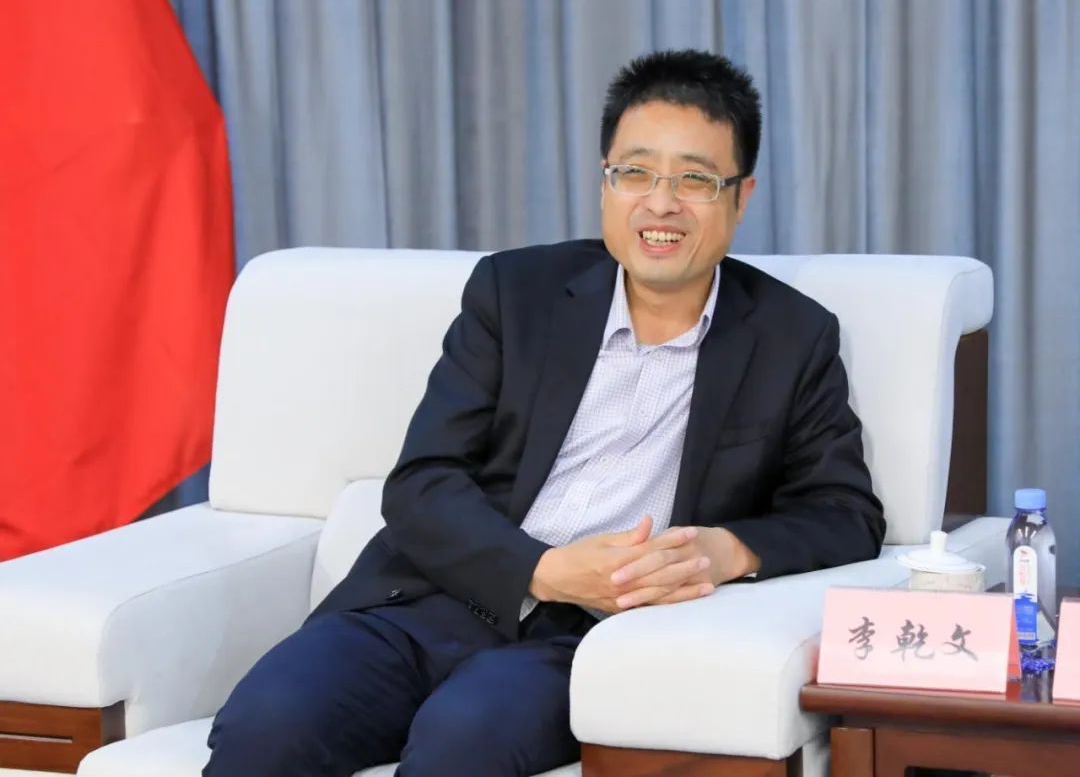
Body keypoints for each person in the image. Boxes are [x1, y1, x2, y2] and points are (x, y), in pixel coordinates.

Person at [204, 48, 885, 777]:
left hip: (585, 641)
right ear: (605, 183)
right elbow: (422, 483)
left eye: (694, 179)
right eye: (635, 173)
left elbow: (845, 512)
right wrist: (544, 569)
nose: (661, 204)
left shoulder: (791, 337)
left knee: (462, 741)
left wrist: (727, 552)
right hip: (432, 598)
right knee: (264, 723)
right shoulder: (516, 293)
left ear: (740, 197)